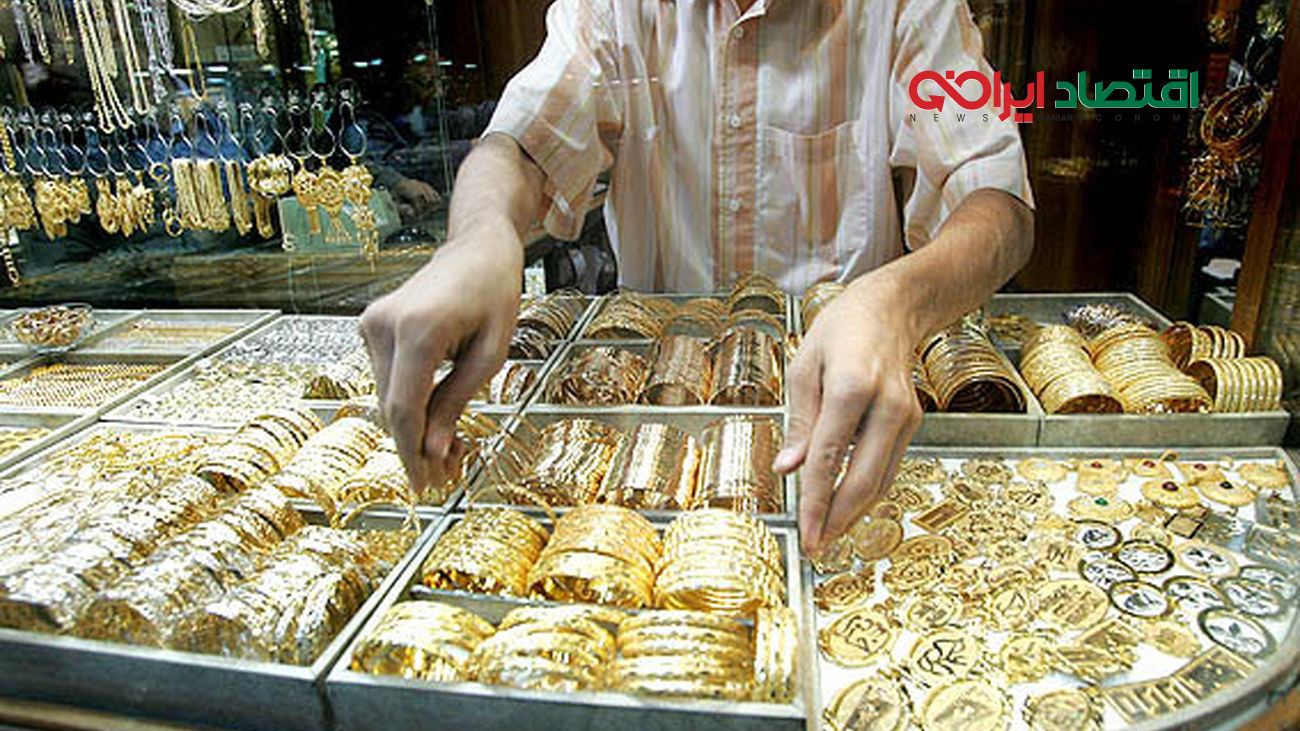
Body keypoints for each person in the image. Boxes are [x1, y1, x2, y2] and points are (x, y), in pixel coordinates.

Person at [361, 0, 1035, 555]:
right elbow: (520, 144)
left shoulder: (910, 8)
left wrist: (897, 302)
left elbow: (996, 198)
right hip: (650, 418)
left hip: (846, 410)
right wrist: (480, 237)